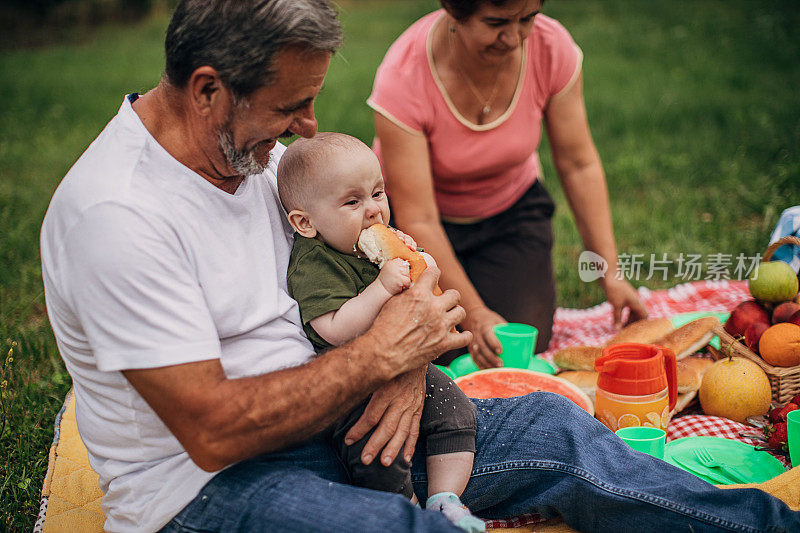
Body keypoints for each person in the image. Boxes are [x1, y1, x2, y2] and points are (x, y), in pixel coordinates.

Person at [39, 1, 800, 531]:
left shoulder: (255, 158)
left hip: (338, 422)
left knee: (555, 426)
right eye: (290, 106)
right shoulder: (119, 217)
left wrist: (400, 368)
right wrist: (377, 356)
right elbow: (211, 428)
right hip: (209, 489)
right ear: (209, 90)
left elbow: (397, 259)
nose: (307, 127)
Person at [368, 0, 648, 367]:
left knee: (517, 342)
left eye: (526, 19)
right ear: (455, 12)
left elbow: (579, 165)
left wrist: (609, 273)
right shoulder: (403, 76)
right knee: (446, 343)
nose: (514, 38)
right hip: (420, 225)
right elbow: (418, 217)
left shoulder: (551, 47)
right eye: (496, 22)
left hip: (511, 208)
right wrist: (474, 311)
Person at [277, 132, 484, 532]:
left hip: (403, 366)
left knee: (458, 413)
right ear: (306, 223)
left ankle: (445, 498)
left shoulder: (370, 247)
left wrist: (415, 261)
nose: (373, 210)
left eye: (377, 193)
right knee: (380, 453)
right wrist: (382, 288)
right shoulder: (315, 263)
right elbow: (334, 328)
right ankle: (404, 512)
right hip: (351, 387)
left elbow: (423, 294)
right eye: (352, 201)